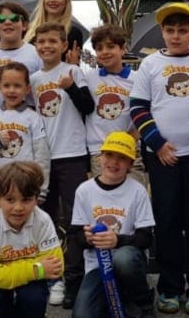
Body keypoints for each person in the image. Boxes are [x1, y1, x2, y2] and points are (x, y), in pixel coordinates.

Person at [130, 2, 189, 314]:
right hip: (162, 157)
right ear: (163, 32)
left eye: (183, 30)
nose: (177, 36)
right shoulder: (150, 64)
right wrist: (158, 145)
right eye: (170, 30)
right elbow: (138, 107)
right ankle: (169, 287)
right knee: (166, 222)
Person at [29, 22, 94, 308]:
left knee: (74, 218)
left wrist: (70, 89)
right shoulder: (32, 79)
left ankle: (74, 278)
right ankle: (52, 276)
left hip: (72, 154)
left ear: (64, 45)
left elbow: (88, 107)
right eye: (41, 42)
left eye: (53, 41)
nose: (46, 46)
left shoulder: (74, 71)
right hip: (42, 158)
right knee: (45, 219)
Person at [70, 131, 157, 318]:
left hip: (129, 261)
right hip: (97, 266)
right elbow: (75, 235)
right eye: (109, 155)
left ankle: (143, 301)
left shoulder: (138, 191)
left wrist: (117, 240)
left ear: (131, 164)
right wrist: (88, 238)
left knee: (123, 259)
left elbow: (146, 238)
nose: (114, 162)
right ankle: (117, 298)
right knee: (82, 315)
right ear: (100, 157)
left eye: (122, 158)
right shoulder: (84, 191)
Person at [0, 161, 64, 318]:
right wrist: (36, 268)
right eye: (10, 199)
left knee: (33, 298)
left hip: (30, 282)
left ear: (37, 199)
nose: (18, 208)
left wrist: (7, 269)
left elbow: (56, 267)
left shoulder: (42, 220)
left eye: (26, 199)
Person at [0, 62, 50, 204]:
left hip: (26, 186)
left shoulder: (33, 117)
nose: (11, 90)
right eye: (7, 85)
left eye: (17, 86)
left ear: (27, 89)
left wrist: (42, 188)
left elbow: (42, 155)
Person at [84, 24, 145, 185]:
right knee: (106, 201)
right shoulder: (89, 78)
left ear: (123, 49)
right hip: (100, 150)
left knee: (135, 194)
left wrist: (134, 136)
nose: (105, 52)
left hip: (129, 148)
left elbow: (148, 111)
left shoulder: (136, 78)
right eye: (99, 48)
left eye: (111, 46)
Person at [0, 1, 42, 106]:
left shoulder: (38, 54)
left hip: (28, 118)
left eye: (14, 18)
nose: (7, 22)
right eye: (1, 19)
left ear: (25, 25)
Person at [23, 0, 83, 64]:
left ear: (66, 1)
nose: (53, 0)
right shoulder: (28, 30)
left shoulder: (73, 33)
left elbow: (73, 66)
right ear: (43, 1)